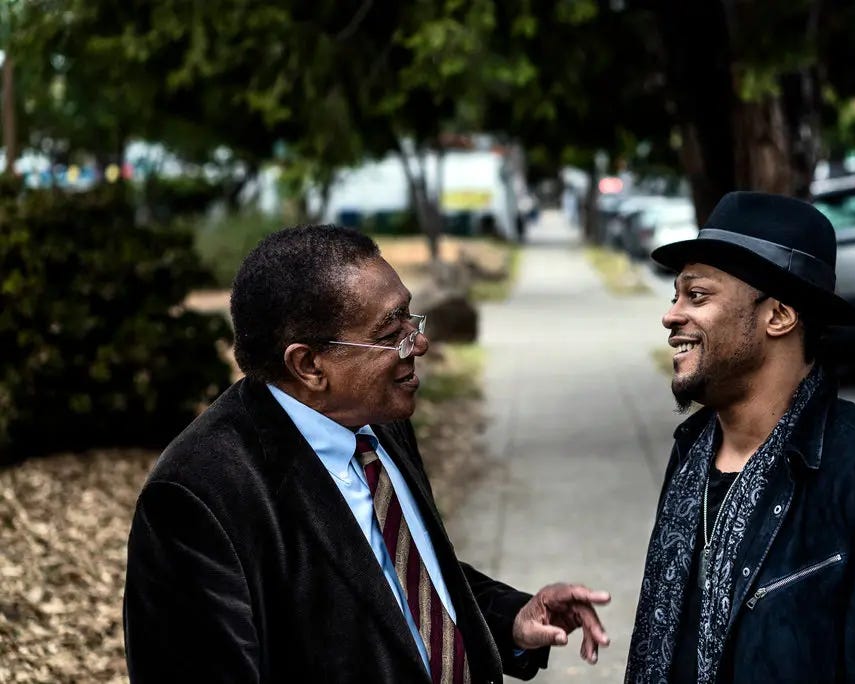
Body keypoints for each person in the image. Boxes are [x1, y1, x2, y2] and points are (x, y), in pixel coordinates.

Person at [123, 225, 611, 683]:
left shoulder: (377, 418)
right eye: (390, 333)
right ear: (310, 364)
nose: (418, 342)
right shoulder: (198, 497)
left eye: (409, 315)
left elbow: (402, 579)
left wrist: (509, 619)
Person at [625, 192, 855, 683]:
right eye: (675, 296)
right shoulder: (691, 452)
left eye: (697, 296)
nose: (671, 315)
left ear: (780, 316)